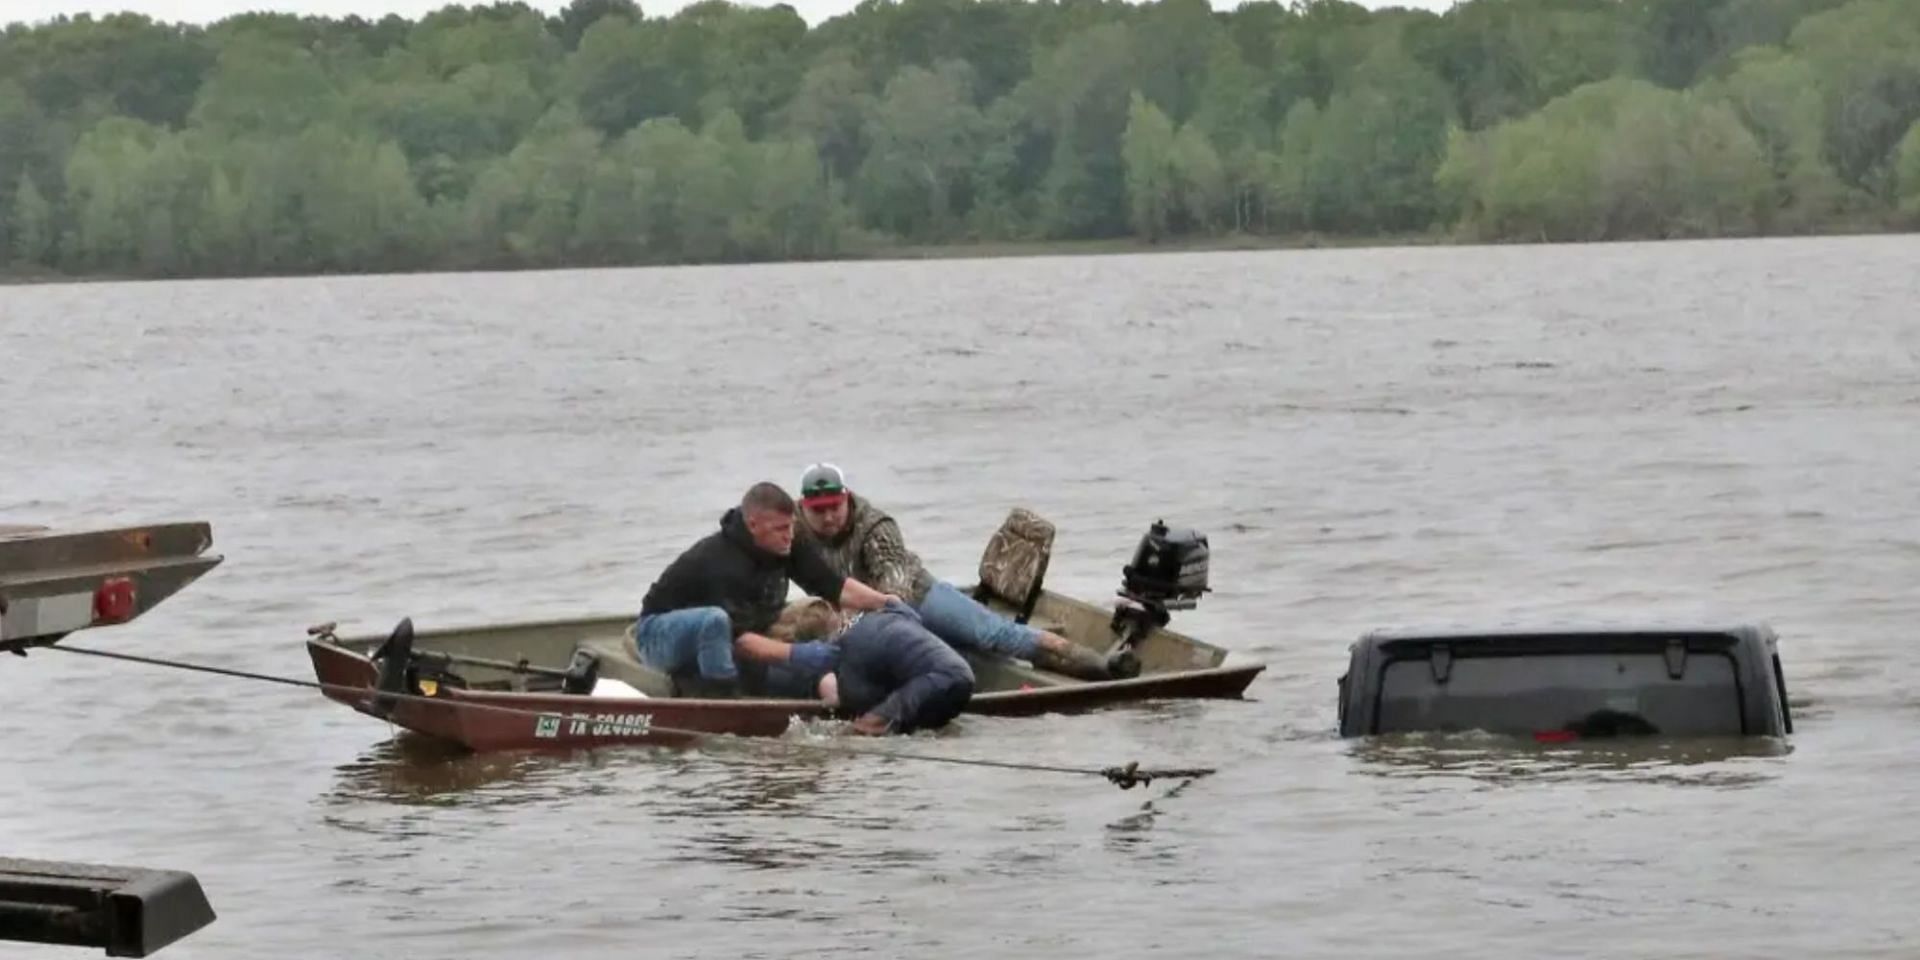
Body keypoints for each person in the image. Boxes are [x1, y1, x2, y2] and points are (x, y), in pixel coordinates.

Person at [790, 462, 1117, 681]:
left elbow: (895, 588)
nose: (829, 517)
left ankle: (1094, 661)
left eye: (834, 507)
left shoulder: (876, 526)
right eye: (819, 511)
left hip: (916, 596)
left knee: (992, 634)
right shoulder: (790, 528)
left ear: (846, 499)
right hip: (856, 614)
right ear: (804, 507)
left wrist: (864, 622)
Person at [634, 481, 896, 698]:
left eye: (792, 526)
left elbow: (835, 587)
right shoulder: (719, 562)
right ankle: (722, 699)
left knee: (818, 614)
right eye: (781, 529)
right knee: (715, 623)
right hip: (658, 635)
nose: (790, 535)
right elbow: (740, 640)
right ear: (753, 525)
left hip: (743, 627)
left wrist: (886, 602)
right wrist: (798, 654)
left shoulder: (787, 541)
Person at [765, 597, 976, 735]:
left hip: (934, 681)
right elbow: (898, 604)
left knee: (859, 730)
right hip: (961, 677)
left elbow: (842, 698)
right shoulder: (883, 615)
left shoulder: (842, 652)